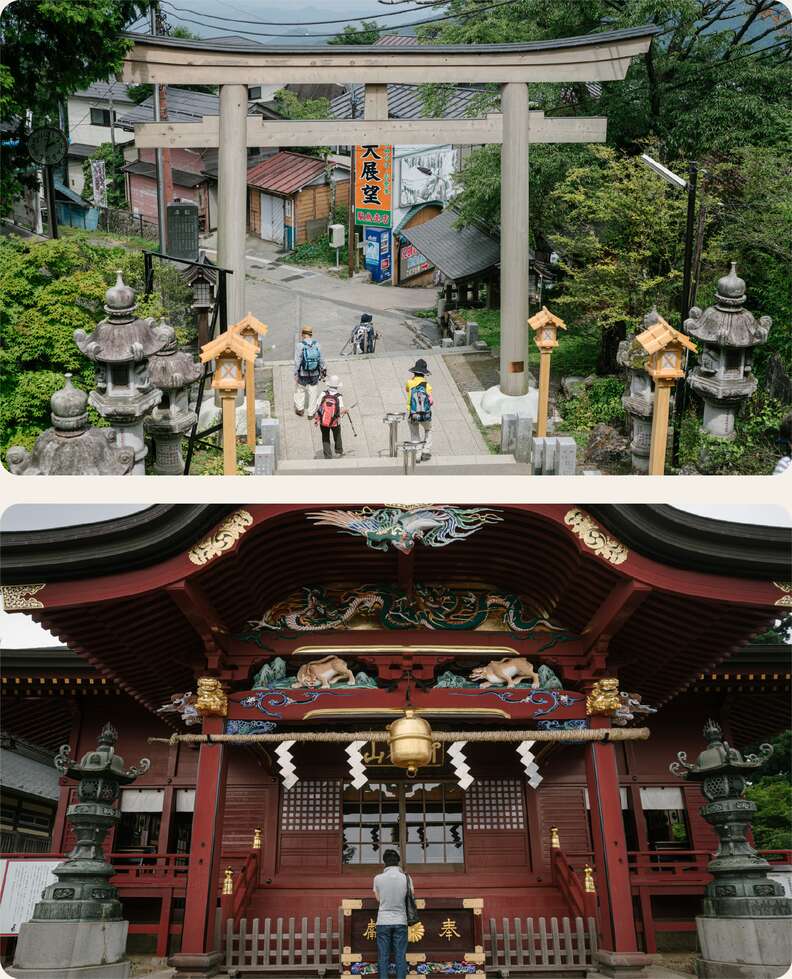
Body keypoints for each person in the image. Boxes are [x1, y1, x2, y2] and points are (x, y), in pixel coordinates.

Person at [373, 849, 410, 979]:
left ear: (385, 862)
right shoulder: (406, 878)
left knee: (383, 956)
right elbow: (410, 897)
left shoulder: (377, 878)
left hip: (383, 921)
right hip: (400, 920)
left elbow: (379, 899)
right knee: (400, 955)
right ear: (398, 862)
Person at [312, 375, 347, 459]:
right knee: (337, 435)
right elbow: (341, 409)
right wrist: (345, 410)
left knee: (325, 437)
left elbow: (317, 406)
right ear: (337, 386)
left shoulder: (323, 393)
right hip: (335, 422)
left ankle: (328, 456)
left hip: (324, 421)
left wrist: (316, 419)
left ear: (329, 385)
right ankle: (338, 451)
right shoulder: (338, 396)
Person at [294, 325, 325, 416]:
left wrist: (295, 373)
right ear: (311, 334)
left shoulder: (299, 345)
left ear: (303, 334)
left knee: (300, 390)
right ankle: (311, 413)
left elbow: (297, 361)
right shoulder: (317, 344)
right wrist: (323, 369)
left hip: (303, 372)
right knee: (313, 391)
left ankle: (300, 409)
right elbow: (321, 359)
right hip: (315, 372)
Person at [405, 358, 433, 461]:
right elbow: (430, 401)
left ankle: (416, 456)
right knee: (428, 429)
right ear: (424, 373)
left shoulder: (409, 382)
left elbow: (408, 390)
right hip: (425, 414)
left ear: (415, 372)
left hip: (412, 413)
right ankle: (426, 451)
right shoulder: (428, 386)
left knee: (414, 433)